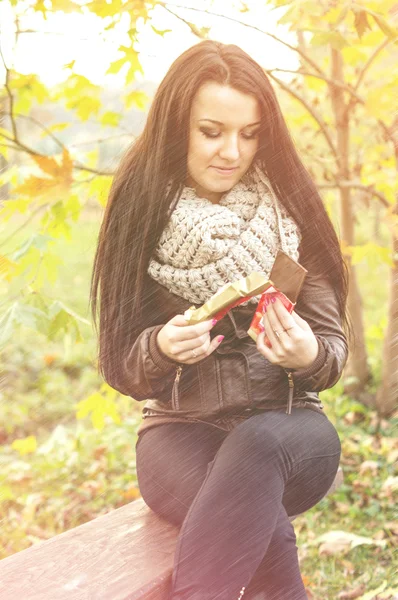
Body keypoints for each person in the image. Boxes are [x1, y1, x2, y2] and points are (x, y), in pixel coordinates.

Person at [90, 40, 349, 600]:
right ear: (176, 126)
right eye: (212, 131)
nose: (232, 151)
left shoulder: (292, 208)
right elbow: (119, 362)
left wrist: (308, 355)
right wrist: (160, 347)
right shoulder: (139, 209)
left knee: (256, 447)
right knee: (256, 518)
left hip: (291, 426)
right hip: (177, 436)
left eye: (250, 134)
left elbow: (331, 351)